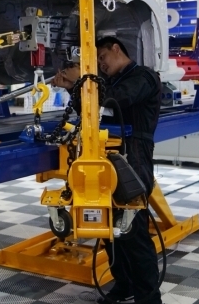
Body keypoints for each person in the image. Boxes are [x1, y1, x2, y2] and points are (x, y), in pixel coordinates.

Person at [53, 36, 162, 304]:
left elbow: (115, 100)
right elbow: (90, 110)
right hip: (104, 155)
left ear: (116, 48)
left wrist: (82, 80)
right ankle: (124, 285)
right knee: (108, 230)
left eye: (102, 57)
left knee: (133, 230)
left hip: (133, 156)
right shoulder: (109, 82)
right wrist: (73, 87)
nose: (101, 64)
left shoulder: (144, 77)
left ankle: (149, 299)